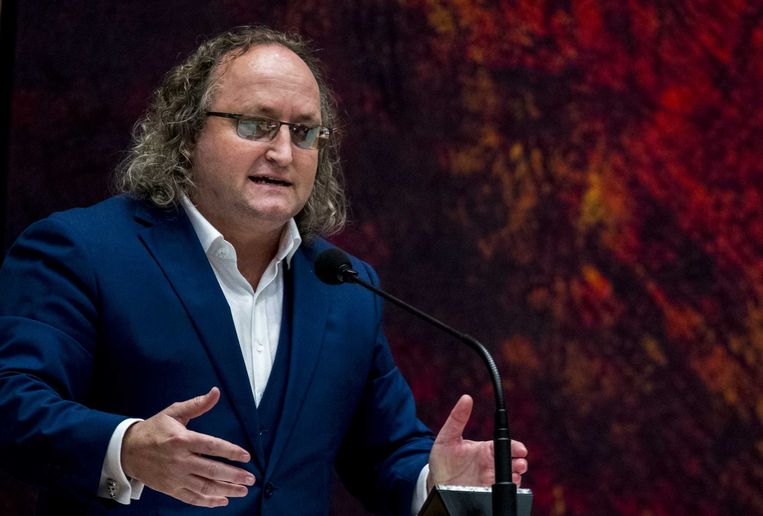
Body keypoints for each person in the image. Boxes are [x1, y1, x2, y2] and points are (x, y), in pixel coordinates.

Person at [0, 26, 528, 515]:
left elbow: (385, 449)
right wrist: (127, 448)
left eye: (304, 132)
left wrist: (436, 483)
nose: (283, 153)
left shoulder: (344, 285)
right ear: (187, 132)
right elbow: (13, 402)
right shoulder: (82, 250)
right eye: (256, 125)